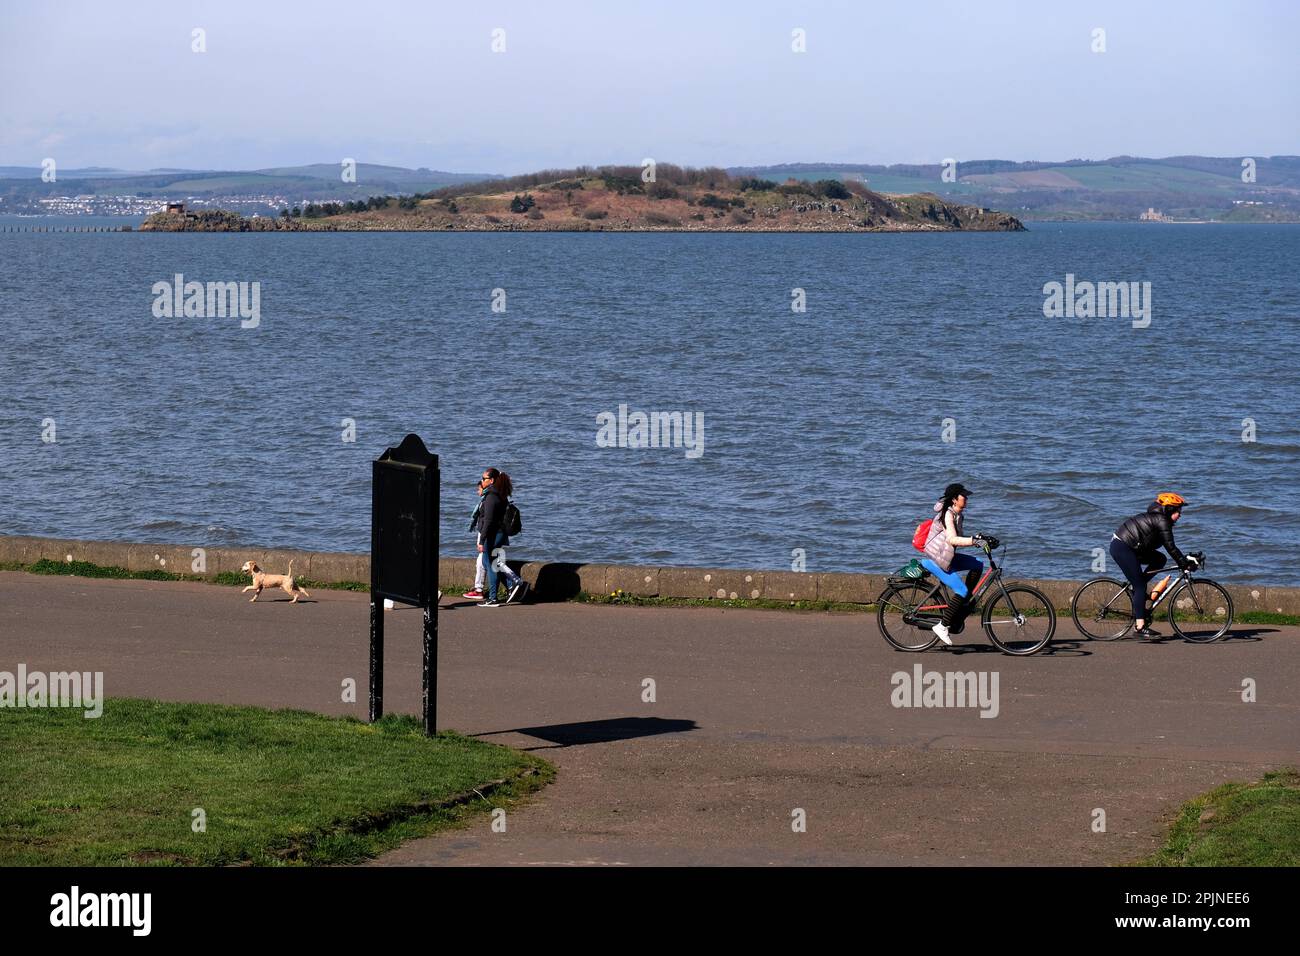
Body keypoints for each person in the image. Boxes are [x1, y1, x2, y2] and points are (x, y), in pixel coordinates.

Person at [1109, 492, 1196, 638]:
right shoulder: (1162, 521)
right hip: (1122, 547)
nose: (1180, 514)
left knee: (1159, 559)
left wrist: (1185, 559)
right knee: (1140, 586)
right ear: (1169, 510)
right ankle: (1140, 627)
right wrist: (1183, 563)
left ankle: (1138, 590)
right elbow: (1170, 547)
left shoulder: (1160, 519)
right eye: (1178, 511)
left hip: (1133, 547)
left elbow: (1170, 548)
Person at [921, 482, 993, 646]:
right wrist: (974, 541)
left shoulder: (958, 514)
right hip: (936, 559)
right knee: (961, 589)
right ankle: (942, 626)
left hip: (946, 557)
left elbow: (957, 537)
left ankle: (964, 601)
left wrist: (979, 538)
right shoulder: (947, 514)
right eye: (963, 496)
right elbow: (952, 539)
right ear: (954, 499)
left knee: (978, 564)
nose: (966, 499)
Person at [474, 468, 528, 607]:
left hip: (493, 534)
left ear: (491, 480)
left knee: (491, 564)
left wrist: (481, 540)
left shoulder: (491, 497)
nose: (481, 480)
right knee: (489, 563)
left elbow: (488, 521)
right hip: (498, 533)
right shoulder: (499, 494)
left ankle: (493, 598)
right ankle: (512, 584)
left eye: (483, 478)